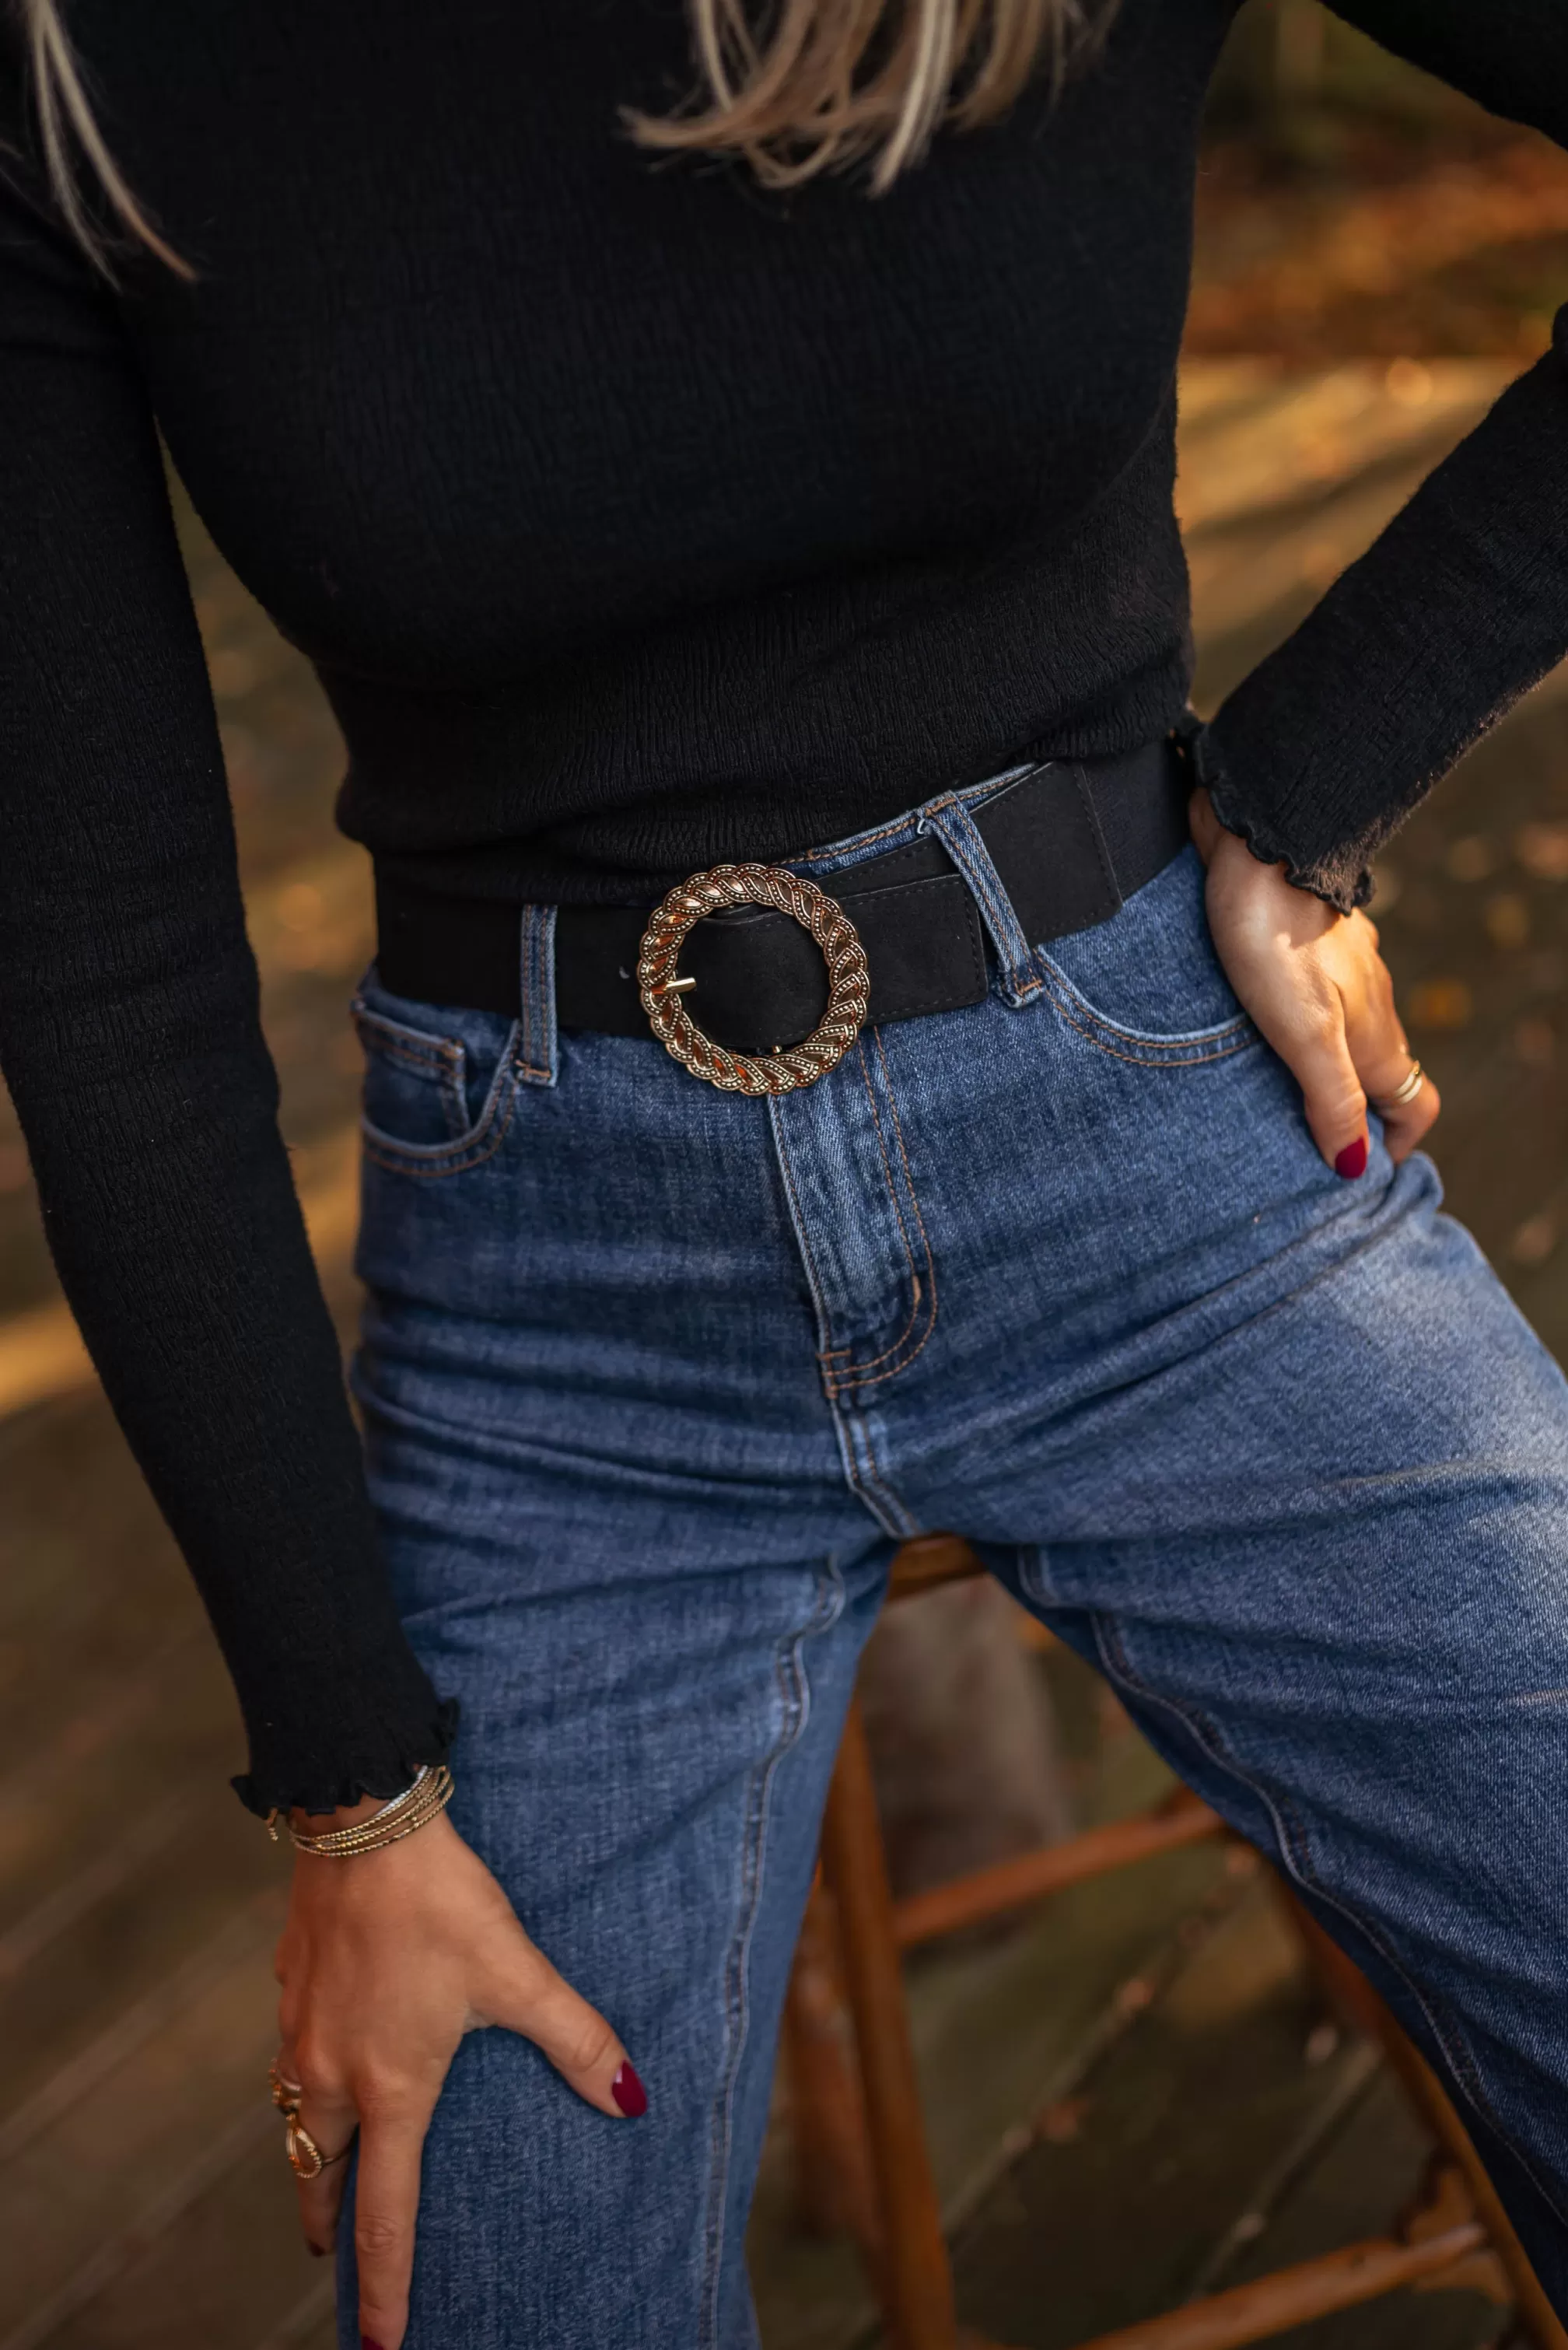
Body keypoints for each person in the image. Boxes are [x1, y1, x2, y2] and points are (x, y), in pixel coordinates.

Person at [2, 0, 1566, 2342]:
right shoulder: (75, 64)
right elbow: (100, 960)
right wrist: (350, 1792)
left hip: (1180, 1166)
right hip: (565, 1340)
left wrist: (1311, 778)